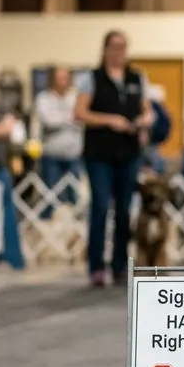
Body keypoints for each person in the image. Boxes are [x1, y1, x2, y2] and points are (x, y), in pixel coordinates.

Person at [74, 30, 153, 287]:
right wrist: (110, 121)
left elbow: (148, 110)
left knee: (124, 209)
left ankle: (120, 264)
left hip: (128, 153)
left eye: (123, 47)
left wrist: (142, 121)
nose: (119, 51)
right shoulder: (91, 78)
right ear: (105, 49)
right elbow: (80, 112)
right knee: (99, 207)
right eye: (114, 46)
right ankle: (96, 266)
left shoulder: (137, 78)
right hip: (99, 154)